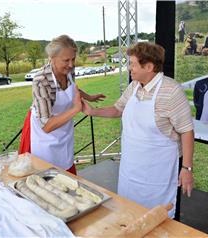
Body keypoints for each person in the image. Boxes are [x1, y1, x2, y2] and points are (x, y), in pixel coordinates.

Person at [82, 42, 194, 218]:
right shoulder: (134, 86)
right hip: (132, 168)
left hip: (159, 172)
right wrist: (92, 111)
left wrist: (187, 168)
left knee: (160, 219)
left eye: (133, 64)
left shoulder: (171, 91)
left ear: (149, 67)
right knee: (130, 213)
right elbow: (118, 109)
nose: (129, 68)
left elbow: (186, 131)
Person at [30, 35, 105, 175]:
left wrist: (89, 97)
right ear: (52, 58)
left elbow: (72, 89)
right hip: (45, 134)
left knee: (66, 165)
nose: (71, 64)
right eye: (66, 60)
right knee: (49, 175)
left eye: (73, 59)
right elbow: (46, 126)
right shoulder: (41, 81)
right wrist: (76, 109)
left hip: (64, 129)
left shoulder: (69, 70)